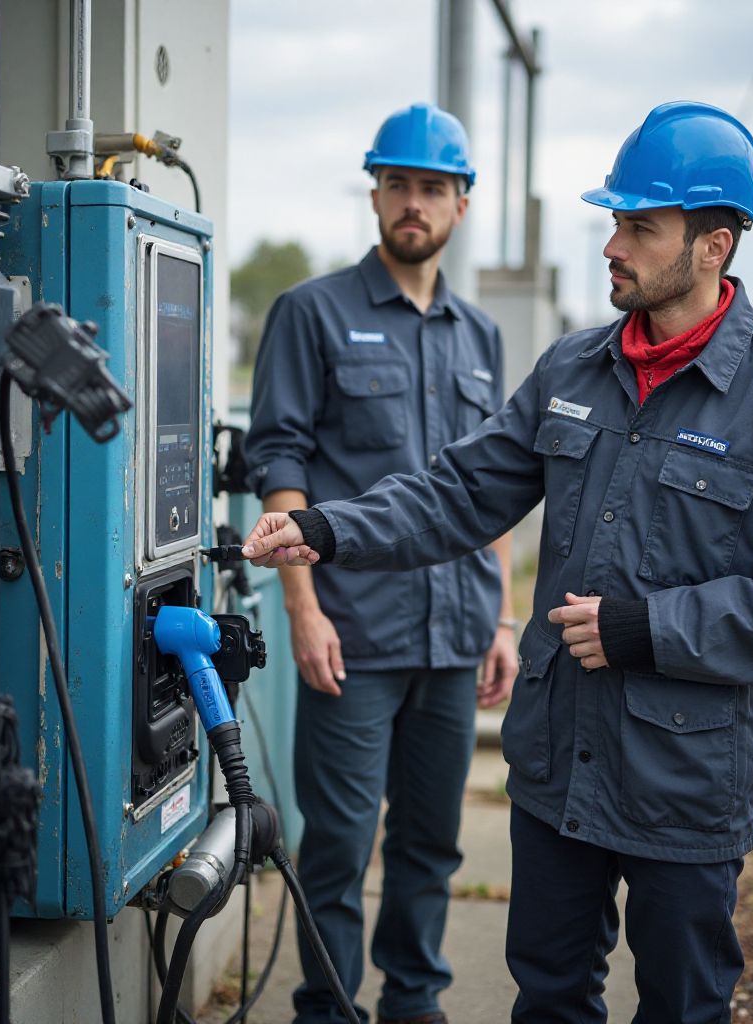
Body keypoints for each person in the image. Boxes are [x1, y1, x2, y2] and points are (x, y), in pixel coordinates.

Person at [240, 101, 753, 1023]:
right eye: (613, 222)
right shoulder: (574, 372)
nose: (611, 246)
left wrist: (646, 629)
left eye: (639, 227)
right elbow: (460, 492)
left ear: (714, 245)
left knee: (682, 1006)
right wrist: (332, 529)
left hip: (682, 788)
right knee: (548, 998)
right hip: (555, 772)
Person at [243, 102, 517, 1024]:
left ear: (461, 204)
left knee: (431, 844)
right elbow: (279, 465)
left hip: (456, 634)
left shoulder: (480, 338)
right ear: (376, 192)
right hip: (352, 632)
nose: (414, 202)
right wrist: (302, 610)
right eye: (398, 183)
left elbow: (496, 489)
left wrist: (504, 616)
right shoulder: (310, 313)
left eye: (432, 187)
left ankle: (415, 1002)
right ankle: (328, 1008)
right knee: (339, 845)